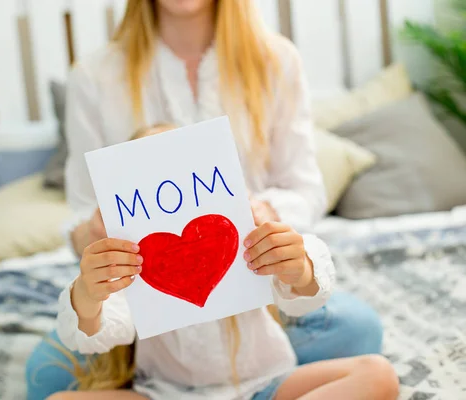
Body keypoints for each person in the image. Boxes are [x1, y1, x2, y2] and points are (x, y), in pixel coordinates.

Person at [26, 0, 385, 398]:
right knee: (47, 375)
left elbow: (305, 192)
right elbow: (80, 212)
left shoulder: (276, 59)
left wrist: (261, 216)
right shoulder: (94, 75)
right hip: (146, 309)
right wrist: (95, 233)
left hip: (254, 282)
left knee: (358, 327)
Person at [43, 153, 398, 398]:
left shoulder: (243, 237)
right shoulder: (133, 264)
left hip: (265, 386)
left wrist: (299, 265)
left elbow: (307, 296)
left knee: (377, 374)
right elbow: (95, 333)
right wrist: (89, 293)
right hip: (167, 395)